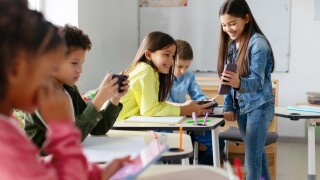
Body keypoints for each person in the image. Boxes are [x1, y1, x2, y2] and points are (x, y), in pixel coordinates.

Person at [0, 1, 129, 179]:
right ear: (16, 68)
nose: (49, 80)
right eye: (47, 71)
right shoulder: (3, 137)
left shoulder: (9, 123)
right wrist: (62, 128)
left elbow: (36, 165)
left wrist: (95, 174)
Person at [24, 24, 129, 149]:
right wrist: (99, 99)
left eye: (81, 63)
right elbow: (71, 137)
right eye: (74, 63)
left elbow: (97, 129)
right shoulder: (41, 93)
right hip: (42, 163)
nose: (80, 70)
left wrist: (115, 98)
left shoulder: (69, 90)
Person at [218, 0, 275, 179]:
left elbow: (257, 82)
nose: (228, 29)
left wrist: (238, 83)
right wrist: (228, 106)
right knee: (257, 156)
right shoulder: (232, 44)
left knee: (251, 160)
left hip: (259, 107)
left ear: (246, 19)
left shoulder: (258, 44)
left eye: (233, 23)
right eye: (224, 25)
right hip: (242, 108)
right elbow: (229, 79)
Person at [116, 31, 212, 121]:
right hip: (121, 125)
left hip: (127, 122)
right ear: (148, 54)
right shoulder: (146, 70)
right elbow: (149, 110)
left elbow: (151, 107)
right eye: (166, 54)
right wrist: (184, 109)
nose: (171, 61)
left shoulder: (151, 71)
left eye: (173, 56)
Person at [167, 39, 225, 165]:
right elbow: (165, 104)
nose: (183, 71)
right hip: (168, 124)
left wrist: (205, 101)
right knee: (177, 150)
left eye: (187, 66)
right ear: (171, 61)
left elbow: (197, 94)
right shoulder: (162, 76)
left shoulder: (189, 76)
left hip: (188, 123)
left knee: (218, 143)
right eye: (179, 66)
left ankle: (199, 172)